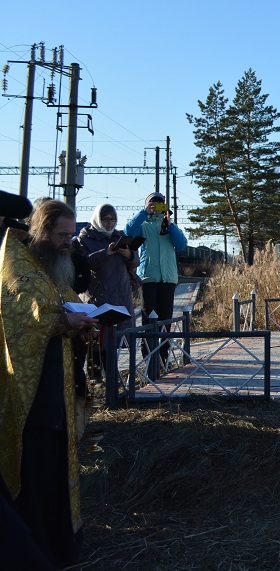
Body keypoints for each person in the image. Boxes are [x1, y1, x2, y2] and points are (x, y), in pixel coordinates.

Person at [0, 199, 99, 568]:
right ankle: (34, 550)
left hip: (57, 394)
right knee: (36, 474)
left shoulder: (53, 266)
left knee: (57, 471)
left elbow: (67, 301)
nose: (67, 244)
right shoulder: (17, 262)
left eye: (71, 236)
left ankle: (59, 546)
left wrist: (87, 320)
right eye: (61, 235)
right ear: (41, 231)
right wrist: (62, 322)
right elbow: (22, 313)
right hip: (32, 397)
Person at [124, 192, 187, 379]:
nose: (157, 207)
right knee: (148, 319)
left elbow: (181, 245)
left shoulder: (169, 227)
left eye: (160, 204)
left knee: (166, 319)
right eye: (153, 204)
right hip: (149, 277)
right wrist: (144, 213)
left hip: (168, 278)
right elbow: (128, 232)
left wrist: (170, 223)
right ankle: (149, 359)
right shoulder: (143, 225)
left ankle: (163, 357)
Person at [76, 204, 138, 380]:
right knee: (96, 340)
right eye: (106, 219)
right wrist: (106, 252)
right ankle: (95, 380)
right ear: (98, 219)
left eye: (113, 219)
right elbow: (84, 264)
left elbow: (135, 263)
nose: (110, 223)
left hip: (120, 293)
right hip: (97, 295)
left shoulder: (120, 236)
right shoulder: (86, 237)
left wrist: (128, 255)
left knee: (114, 339)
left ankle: (112, 379)